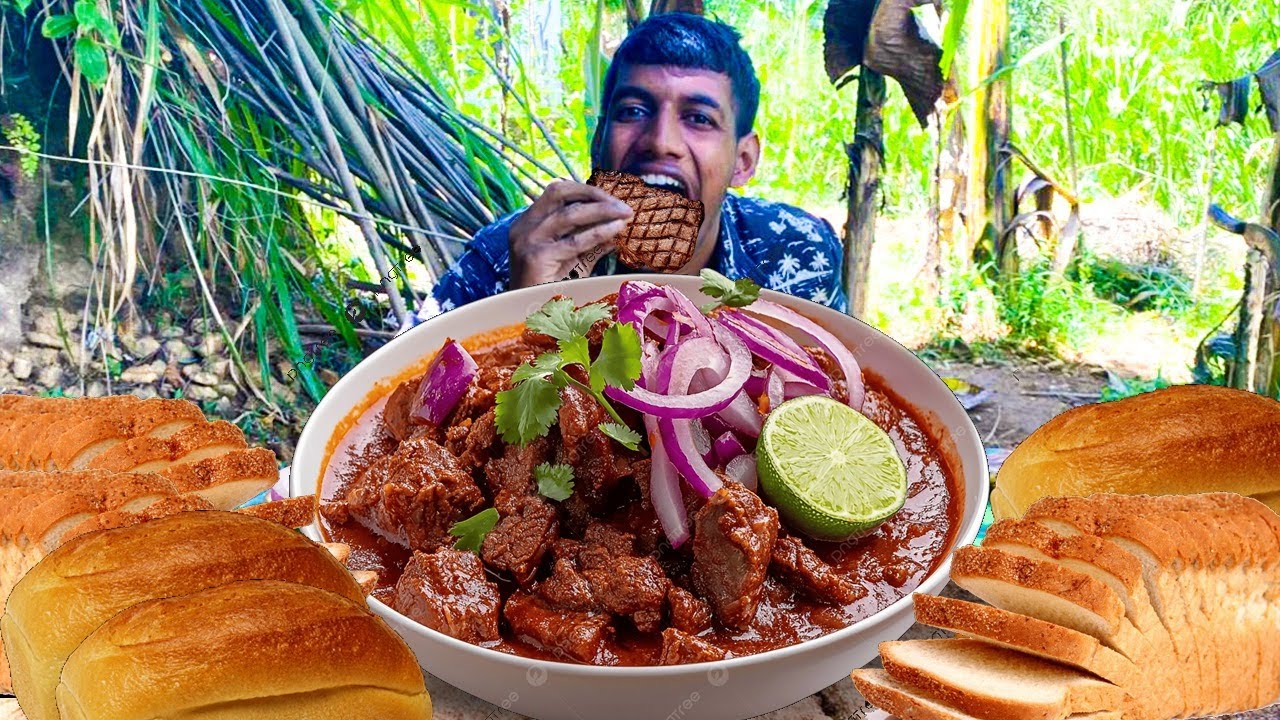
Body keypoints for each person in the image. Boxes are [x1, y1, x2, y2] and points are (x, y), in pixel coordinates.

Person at [421, 12, 848, 322]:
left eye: (699, 118)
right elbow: (399, 393)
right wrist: (520, 312)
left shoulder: (798, 253)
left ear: (743, 161)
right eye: (633, 111)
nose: (661, 141)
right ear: (597, 143)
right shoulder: (506, 256)